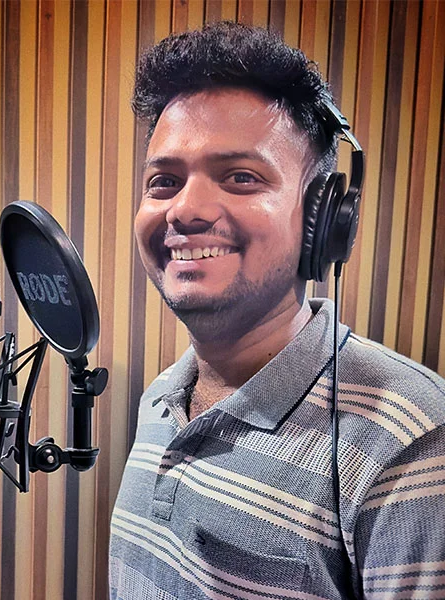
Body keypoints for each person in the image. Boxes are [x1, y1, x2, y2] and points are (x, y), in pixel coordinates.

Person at [109, 21, 445, 600]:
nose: (185, 210)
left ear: (324, 219)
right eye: (163, 181)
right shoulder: (161, 398)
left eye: (241, 177)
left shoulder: (413, 441)